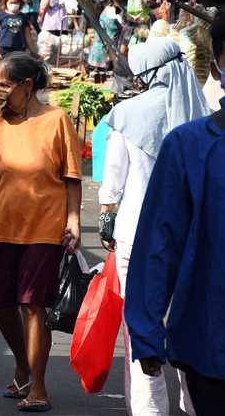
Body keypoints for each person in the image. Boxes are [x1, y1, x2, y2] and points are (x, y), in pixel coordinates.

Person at [0, 53, 82, 413]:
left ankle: (38, 384)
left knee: (32, 304)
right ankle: (22, 363)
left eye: (4, 86)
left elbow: (72, 176)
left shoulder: (57, 120)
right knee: (3, 304)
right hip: (1, 227)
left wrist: (73, 219)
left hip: (45, 227)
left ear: (28, 86)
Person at [98, 38, 209, 415]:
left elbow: (112, 186)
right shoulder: (205, 115)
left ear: (144, 72)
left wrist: (105, 221)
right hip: (197, 241)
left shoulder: (127, 115)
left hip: (137, 239)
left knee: (142, 332)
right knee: (193, 327)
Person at [124, 11, 225, 416]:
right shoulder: (189, 147)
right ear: (218, 64)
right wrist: (146, 332)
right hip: (212, 344)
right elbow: (159, 243)